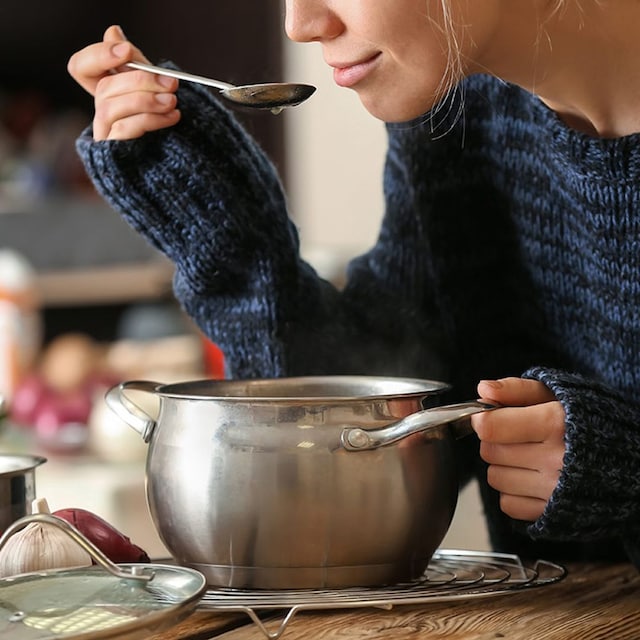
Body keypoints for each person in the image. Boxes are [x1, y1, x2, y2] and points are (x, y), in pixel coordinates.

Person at [67, 1, 640, 567]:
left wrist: (625, 468)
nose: (301, 25)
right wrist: (218, 226)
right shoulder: (459, 113)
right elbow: (365, 421)